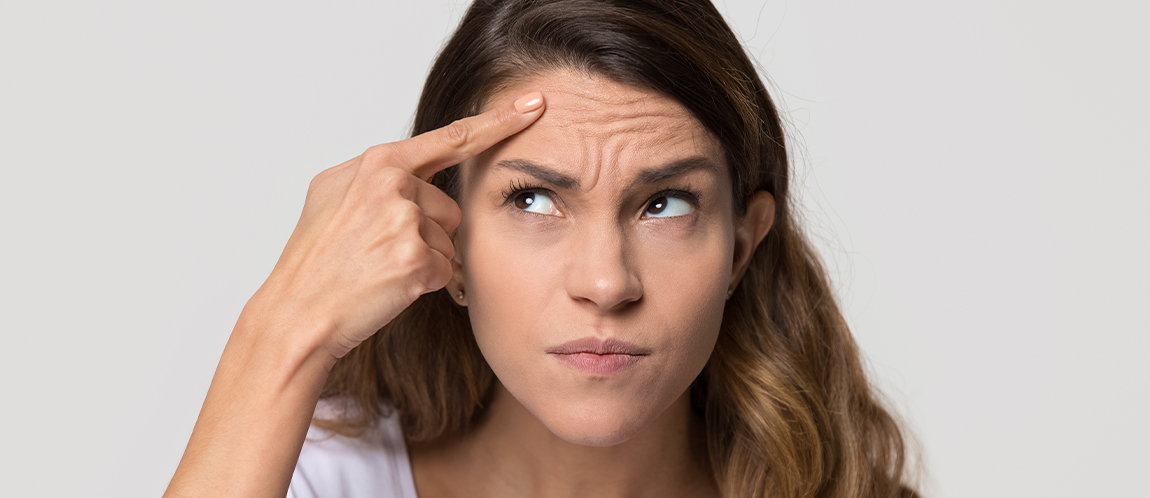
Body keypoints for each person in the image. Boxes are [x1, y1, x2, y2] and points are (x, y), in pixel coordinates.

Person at [163, 0, 920, 497]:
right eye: (533, 199)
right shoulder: (312, 478)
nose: (605, 282)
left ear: (742, 249)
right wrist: (280, 332)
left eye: (665, 204)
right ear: (445, 239)